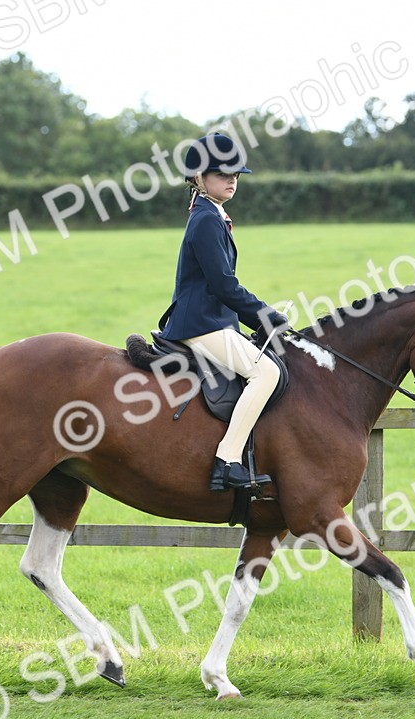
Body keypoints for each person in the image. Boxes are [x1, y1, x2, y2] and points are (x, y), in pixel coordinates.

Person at [159, 133, 290, 491]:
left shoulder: (213, 215)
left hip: (212, 320)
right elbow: (223, 284)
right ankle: (227, 461)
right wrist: (265, 316)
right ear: (199, 178)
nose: (232, 179)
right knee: (266, 374)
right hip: (200, 324)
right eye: (222, 173)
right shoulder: (205, 220)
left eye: (236, 174)